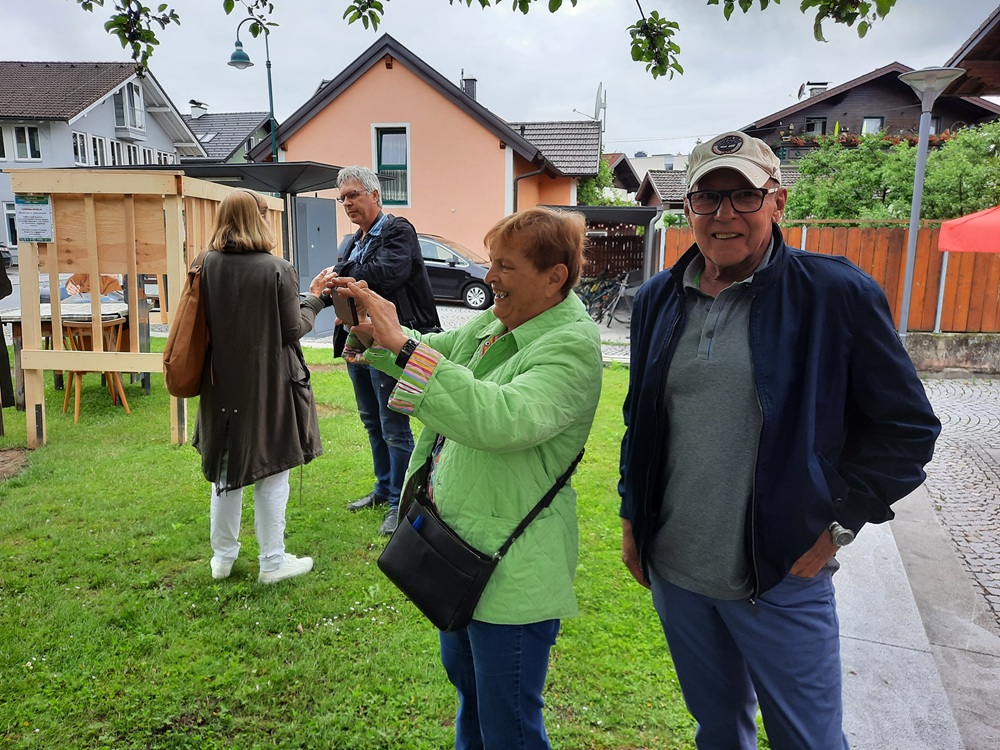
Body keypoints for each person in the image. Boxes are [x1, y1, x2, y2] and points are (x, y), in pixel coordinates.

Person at [618, 132, 941, 750]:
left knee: (807, 740)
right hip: (678, 571)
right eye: (708, 197)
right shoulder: (659, 298)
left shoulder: (834, 293)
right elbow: (642, 419)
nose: (725, 214)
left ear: (778, 201)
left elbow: (908, 428)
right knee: (718, 730)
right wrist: (633, 517)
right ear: (687, 208)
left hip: (781, 574)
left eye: (744, 196)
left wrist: (841, 524)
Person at [340, 207, 603, 750]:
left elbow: (499, 417)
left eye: (505, 266)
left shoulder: (571, 346)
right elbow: (434, 354)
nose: (488, 277)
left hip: (512, 570)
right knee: (473, 702)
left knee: (509, 726)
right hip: (459, 552)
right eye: (490, 262)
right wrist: (377, 335)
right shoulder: (498, 323)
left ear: (554, 277)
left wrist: (401, 347)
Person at [194, 190, 335, 584]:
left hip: (220, 382)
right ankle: (272, 562)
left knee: (225, 471)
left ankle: (222, 559)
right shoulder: (278, 268)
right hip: (269, 383)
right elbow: (292, 329)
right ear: (257, 218)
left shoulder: (203, 264)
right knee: (273, 469)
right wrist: (315, 299)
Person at [316, 166, 440, 536]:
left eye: (353, 195)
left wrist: (342, 273)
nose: (346, 203)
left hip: (389, 341)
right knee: (372, 420)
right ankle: (384, 488)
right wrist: (332, 284)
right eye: (342, 198)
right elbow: (343, 283)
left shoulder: (398, 231)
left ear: (375, 195)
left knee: (393, 426)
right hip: (355, 340)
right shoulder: (352, 241)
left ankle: (400, 501)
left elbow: (387, 272)